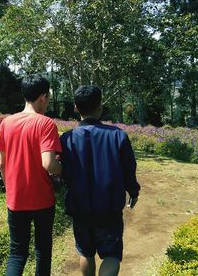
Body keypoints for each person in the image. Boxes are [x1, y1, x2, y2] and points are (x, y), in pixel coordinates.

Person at [60, 85, 141, 276]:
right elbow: (129, 168)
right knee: (111, 256)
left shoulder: (66, 139)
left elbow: (64, 173)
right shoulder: (117, 135)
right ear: (100, 108)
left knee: (85, 253)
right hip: (109, 208)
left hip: (80, 208)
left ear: (76, 108)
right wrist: (133, 191)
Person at [0, 74, 63, 276]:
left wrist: (10, 190)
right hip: (42, 200)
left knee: (17, 253)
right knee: (43, 250)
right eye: (49, 97)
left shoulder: (6, 123)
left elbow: (3, 163)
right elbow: (49, 164)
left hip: (16, 199)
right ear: (42, 97)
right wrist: (63, 170)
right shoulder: (46, 124)